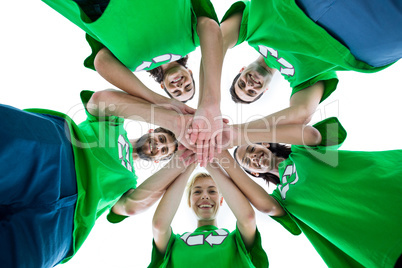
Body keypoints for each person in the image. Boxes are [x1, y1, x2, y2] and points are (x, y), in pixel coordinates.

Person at [0, 89, 197, 268]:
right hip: (59, 152)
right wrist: (173, 120)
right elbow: (100, 100)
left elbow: (132, 207)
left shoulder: (130, 182)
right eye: (161, 140)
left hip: (67, 221)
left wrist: (182, 161)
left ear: (158, 161)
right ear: (151, 131)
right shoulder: (116, 123)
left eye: (163, 152)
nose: (158, 147)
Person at [42, 0, 225, 165]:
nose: (180, 85)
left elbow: (101, 62)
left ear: (163, 88)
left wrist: (159, 101)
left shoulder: (131, 66)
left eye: (176, 92)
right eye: (188, 86)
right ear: (190, 72)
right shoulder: (192, 40)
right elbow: (210, 26)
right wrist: (210, 102)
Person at [225, 117, 402, 268]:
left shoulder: (301, 151)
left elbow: (314, 135)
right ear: (254, 173)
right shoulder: (281, 199)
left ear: (263, 144)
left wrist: (239, 134)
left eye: (251, 149)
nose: (252, 157)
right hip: (370, 241)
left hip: (384, 196)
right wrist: (217, 153)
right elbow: (265, 208)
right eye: (246, 161)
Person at [219, 0, 402, 124]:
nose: (249, 85)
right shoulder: (301, 80)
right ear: (265, 90)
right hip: (354, 36)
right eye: (252, 92)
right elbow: (302, 112)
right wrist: (235, 132)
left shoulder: (250, 33)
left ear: (242, 69)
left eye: (242, 83)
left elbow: (218, 39)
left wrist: (209, 101)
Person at [148, 165, 268, 267]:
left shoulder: (236, 240)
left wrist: (209, 162)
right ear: (189, 201)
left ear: (221, 200)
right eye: (197, 191)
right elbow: (159, 225)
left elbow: (248, 218)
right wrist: (189, 166)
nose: (205, 196)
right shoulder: (174, 243)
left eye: (212, 191)